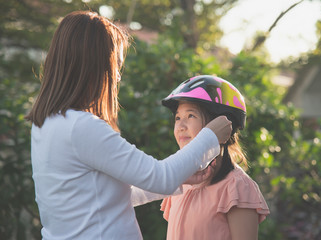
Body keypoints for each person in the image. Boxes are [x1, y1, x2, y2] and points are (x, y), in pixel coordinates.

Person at [25, 11, 232, 240]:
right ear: (96, 67)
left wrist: (180, 177)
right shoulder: (82, 127)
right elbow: (159, 176)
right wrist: (210, 136)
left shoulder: (47, 123)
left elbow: (106, 198)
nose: (117, 77)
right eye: (116, 66)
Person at [160, 75, 270, 240]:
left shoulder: (236, 187)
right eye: (177, 118)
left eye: (191, 116)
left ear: (220, 125)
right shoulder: (181, 181)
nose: (181, 126)